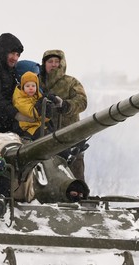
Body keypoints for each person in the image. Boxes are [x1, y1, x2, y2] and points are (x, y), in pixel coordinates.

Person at [39, 49, 88, 181]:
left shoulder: (71, 82)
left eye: (57, 61)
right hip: (43, 138)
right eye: (50, 61)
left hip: (70, 136)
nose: (54, 64)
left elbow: (82, 101)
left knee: (75, 176)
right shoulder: (37, 82)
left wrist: (65, 105)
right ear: (44, 64)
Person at [12, 71, 53, 140]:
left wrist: (47, 114)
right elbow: (31, 112)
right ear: (23, 87)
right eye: (27, 86)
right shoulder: (20, 99)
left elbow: (41, 117)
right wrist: (41, 103)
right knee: (47, 138)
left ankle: (67, 149)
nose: (31, 88)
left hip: (37, 125)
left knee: (53, 132)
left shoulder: (36, 96)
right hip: (27, 127)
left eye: (33, 86)